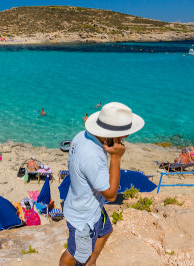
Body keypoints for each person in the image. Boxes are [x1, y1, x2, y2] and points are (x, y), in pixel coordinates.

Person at [59, 102, 144, 266]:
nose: (125, 138)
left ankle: (91, 262)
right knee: (74, 254)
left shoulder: (82, 136)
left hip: (91, 206)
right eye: (123, 135)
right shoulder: (92, 157)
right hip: (84, 217)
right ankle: (85, 261)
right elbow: (111, 195)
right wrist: (116, 157)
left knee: (105, 231)